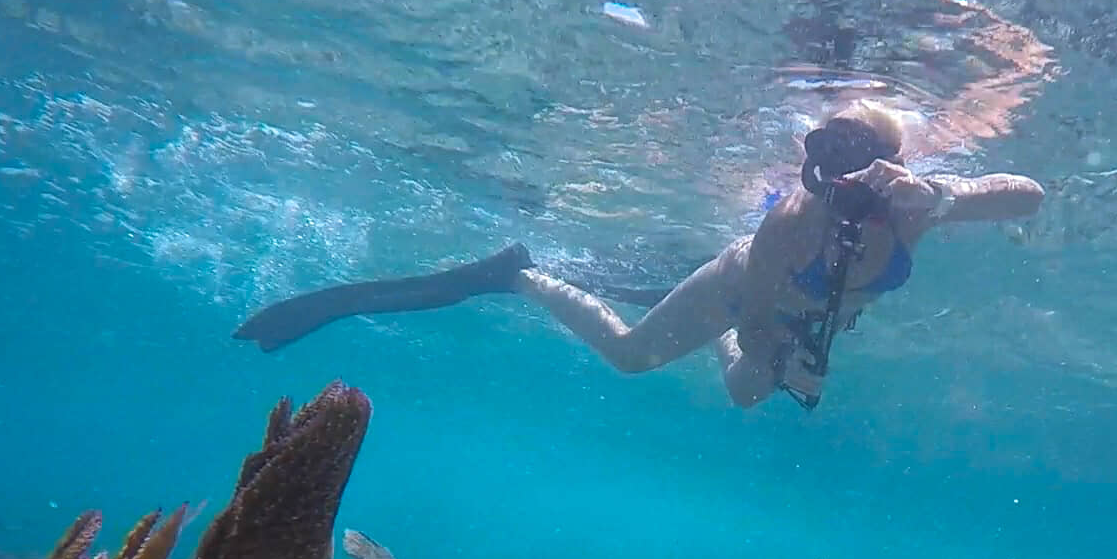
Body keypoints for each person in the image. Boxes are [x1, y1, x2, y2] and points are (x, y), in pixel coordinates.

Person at [234, 101, 1045, 409]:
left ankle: (737, 357)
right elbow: (759, 300)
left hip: (816, 315)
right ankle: (516, 273)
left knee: (743, 400)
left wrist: (943, 196)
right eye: (826, 151)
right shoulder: (789, 222)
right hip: (737, 293)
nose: (840, 172)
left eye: (857, 153)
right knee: (629, 357)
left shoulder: (912, 213)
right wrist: (761, 338)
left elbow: (1028, 195)